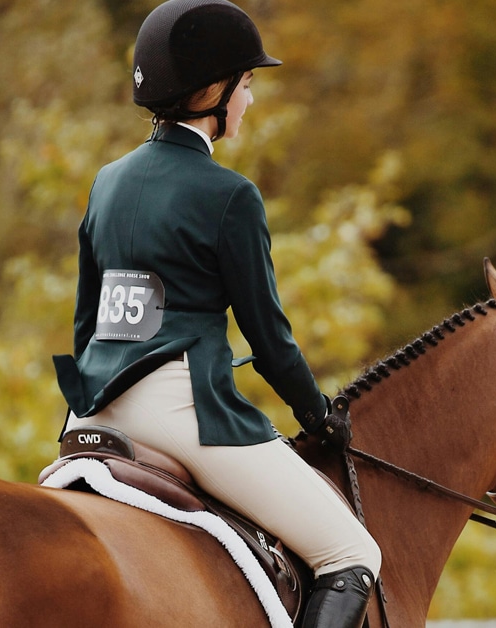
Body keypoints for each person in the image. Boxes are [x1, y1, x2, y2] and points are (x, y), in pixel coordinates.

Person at [51, 1, 381, 626]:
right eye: (248, 84)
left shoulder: (106, 182)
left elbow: (85, 324)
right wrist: (318, 415)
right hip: (182, 414)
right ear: (215, 91)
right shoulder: (230, 196)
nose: (250, 101)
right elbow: (270, 339)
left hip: (89, 409)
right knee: (351, 551)